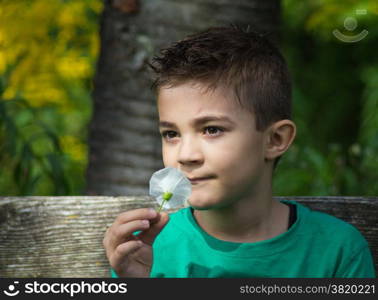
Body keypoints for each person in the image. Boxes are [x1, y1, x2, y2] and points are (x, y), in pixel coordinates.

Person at [103, 26, 375, 278]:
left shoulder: (337, 251)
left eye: (211, 130)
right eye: (171, 134)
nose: (186, 155)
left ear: (275, 139)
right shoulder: (146, 251)